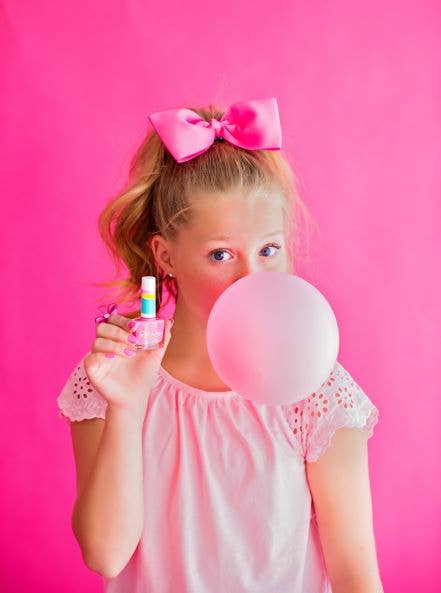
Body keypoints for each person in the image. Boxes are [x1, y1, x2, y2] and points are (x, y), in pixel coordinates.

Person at [56, 97, 382, 592]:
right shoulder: (112, 379)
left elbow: (357, 577)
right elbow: (105, 554)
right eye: (221, 254)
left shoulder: (317, 392)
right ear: (165, 255)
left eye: (268, 250)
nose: (250, 276)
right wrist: (125, 408)